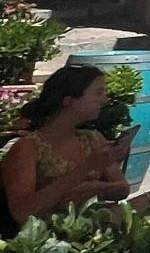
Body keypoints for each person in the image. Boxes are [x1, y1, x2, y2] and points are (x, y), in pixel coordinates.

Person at [2, 64, 131, 229]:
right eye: (98, 92)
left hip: (89, 233)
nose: (104, 99)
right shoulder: (28, 148)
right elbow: (21, 212)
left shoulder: (92, 139)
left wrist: (96, 188)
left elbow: (122, 188)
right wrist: (85, 169)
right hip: (43, 241)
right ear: (68, 100)